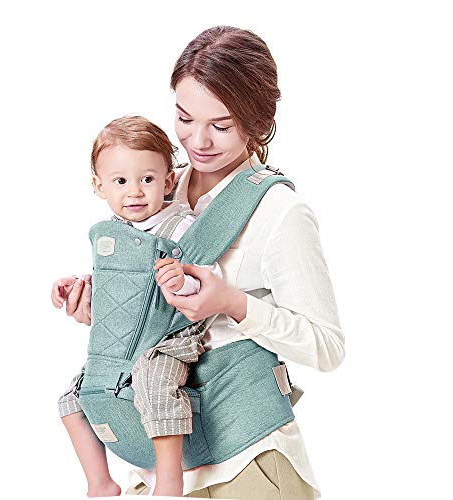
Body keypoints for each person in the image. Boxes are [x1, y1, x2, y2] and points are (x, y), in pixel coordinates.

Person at [53, 26, 345, 499]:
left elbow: (327, 348)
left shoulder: (278, 211)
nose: (199, 140)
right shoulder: (154, 185)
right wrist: (102, 307)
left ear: (258, 122)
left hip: (248, 462)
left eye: (221, 125)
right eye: (185, 118)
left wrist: (232, 303)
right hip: (156, 469)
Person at [53, 115, 220, 497]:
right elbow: (117, 289)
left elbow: (208, 276)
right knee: (73, 398)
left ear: (168, 181)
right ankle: (100, 482)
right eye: (120, 181)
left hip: (170, 336)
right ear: (99, 186)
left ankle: (169, 480)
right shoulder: (111, 234)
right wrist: (80, 288)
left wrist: (183, 281)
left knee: (153, 382)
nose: (135, 192)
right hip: (121, 345)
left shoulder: (179, 227)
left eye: (147, 179)